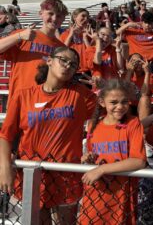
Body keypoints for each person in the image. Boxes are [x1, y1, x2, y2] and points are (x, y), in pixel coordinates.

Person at [0, 46, 97, 224]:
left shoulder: (80, 96)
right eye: (63, 60)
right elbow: (5, 135)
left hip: (66, 173)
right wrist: (5, 166)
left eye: (73, 64)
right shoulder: (24, 96)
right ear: (50, 61)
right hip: (32, 172)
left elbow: (115, 112)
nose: (68, 65)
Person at [79, 79, 146, 225]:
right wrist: (88, 159)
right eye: (114, 102)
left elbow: (138, 161)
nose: (120, 107)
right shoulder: (93, 125)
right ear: (102, 102)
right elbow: (94, 157)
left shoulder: (133, 123)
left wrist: (101, 169)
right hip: (96, 193)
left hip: (121, 194)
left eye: (124, 102)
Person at [0, 0, 68, 104]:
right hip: (20, 100)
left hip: (47, 102)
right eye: (50, 13)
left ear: (63, 19)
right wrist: (19, 36)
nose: (54, 18)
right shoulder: (23, 34)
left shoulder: (62, 48)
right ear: (41, 13)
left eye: (59, 15)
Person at [60, 8, 90, 74]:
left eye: (88, 17)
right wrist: (70, 35)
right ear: (74, 17)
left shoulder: (89, 35)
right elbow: (61, 51)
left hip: (86, 71)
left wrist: (86, 38)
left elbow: (92, 53)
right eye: (83, 16)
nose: (86, 19)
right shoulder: (65, 34)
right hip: (69, 70)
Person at [125, 53, 153, 119]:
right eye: (133, 61)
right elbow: (124, 91)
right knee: (123, 99)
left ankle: (143, 127)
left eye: (138, 61)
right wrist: (129, 71)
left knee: (144, 99)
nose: (136, 64)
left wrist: (147, 73)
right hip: (128, 107)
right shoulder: (125, 75)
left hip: (142, 106)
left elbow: (144, 93)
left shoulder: (149, 76)